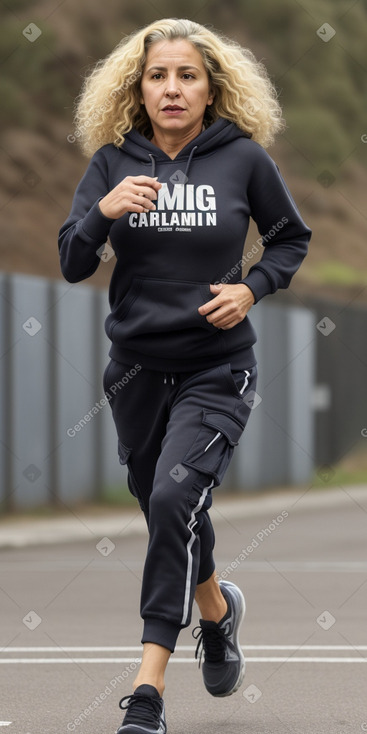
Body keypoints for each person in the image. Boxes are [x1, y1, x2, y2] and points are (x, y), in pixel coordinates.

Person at [58, 17, 311, 734]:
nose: (172, 88)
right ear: (137, 88)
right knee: (162, 502)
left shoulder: (243, 161)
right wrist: (100, 217)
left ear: (211, 88)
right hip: (135, 371)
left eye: (187, 75)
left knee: (172, 501)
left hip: (216, 369)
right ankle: (216, 610)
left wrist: (252, 287)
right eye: (158, 75)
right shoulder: (110, 163)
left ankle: (147, 690)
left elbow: (290, 236)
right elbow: (73, 262)